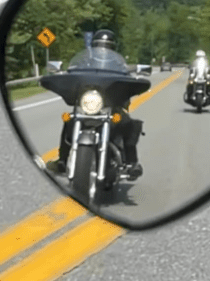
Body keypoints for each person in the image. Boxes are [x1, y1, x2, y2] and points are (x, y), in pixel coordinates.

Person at [49, 30, 144, 180]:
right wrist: (66, 75)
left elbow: (127, 76)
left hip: (112, 107)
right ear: (93, 46)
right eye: (99, 45)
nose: (103, 48)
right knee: (69, 121)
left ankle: (132, 163)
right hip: (89, 105)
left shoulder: (118, 64)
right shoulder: (85, 62)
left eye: (106, 45)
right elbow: (74, 71)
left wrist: (134, 76)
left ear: (112, 47)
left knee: (128, 124)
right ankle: (62, 160)